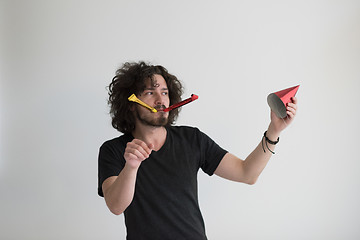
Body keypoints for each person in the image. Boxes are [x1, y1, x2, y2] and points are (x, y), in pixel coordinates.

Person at [98, 61, 298, 240]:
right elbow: (116, 206)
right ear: (132, 104)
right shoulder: (114, 150)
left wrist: (274, 131)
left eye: (165, 92)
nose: (161, 100)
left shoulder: (192, 139)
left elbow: (247, 173)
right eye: (150, 93)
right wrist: (131, 167)